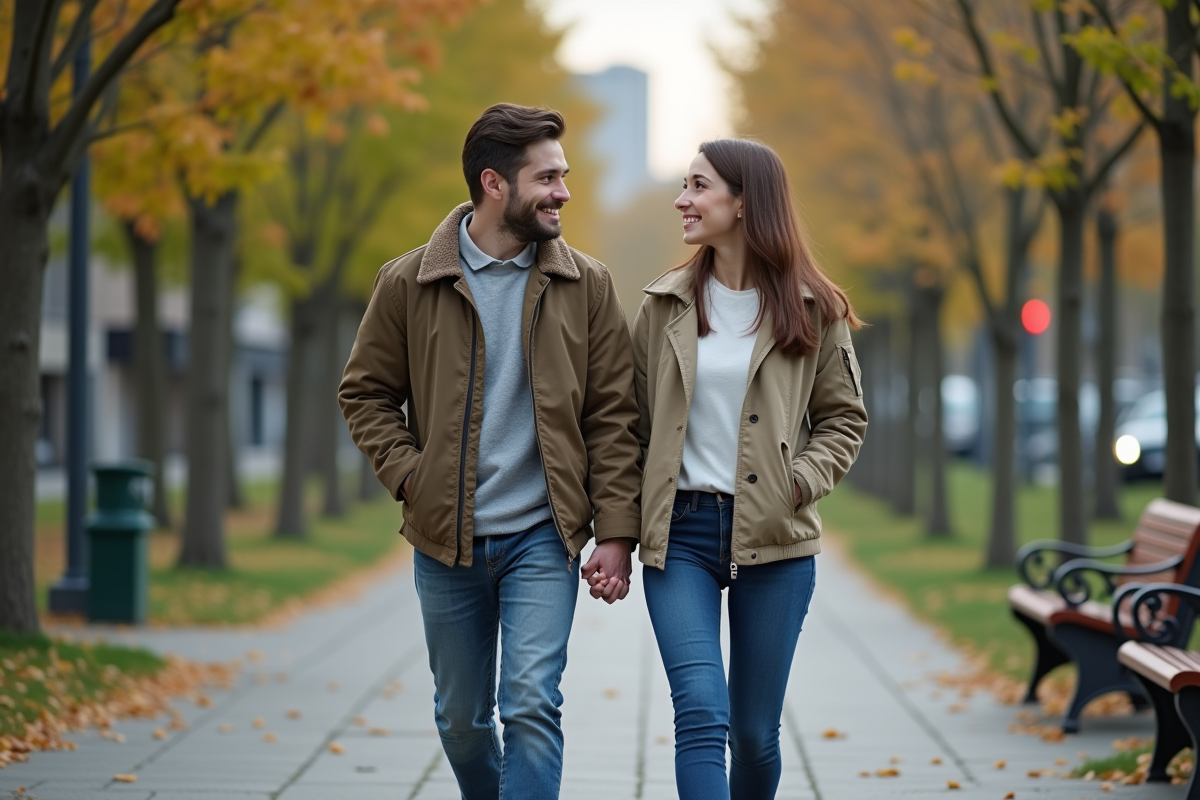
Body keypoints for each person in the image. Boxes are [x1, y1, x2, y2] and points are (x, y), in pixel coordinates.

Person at [338, 103, 641, 800]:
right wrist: (412, 477)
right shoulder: (407, 282)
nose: (564, 191)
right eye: (548, 177)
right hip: (447, 540)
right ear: (494, 184)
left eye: (564, 175)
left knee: (532, 704)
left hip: (544, 535)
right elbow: (364, 394)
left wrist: (617, 531)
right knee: (463, 720)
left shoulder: (587, 286)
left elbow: (614, 416)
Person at [631, 138, 868, 799]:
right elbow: (628, 426)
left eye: (698, 186)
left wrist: (796, 483)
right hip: (681, 535)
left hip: (778, 540)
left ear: (743, 202)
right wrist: (620, 531)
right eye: (684, 184)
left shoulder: (815, 307)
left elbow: (845, 420)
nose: (684, 198)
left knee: (755, 734)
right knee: (701, 712)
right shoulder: (663, 305)